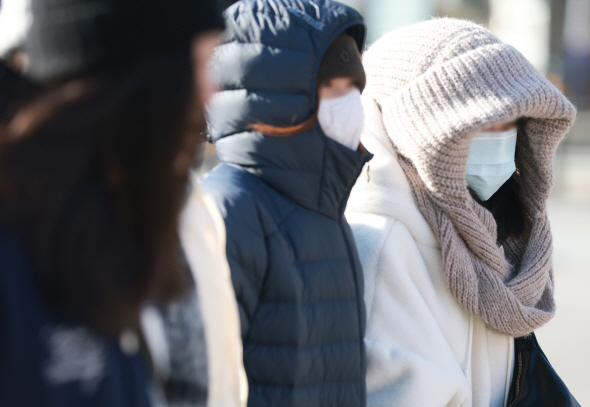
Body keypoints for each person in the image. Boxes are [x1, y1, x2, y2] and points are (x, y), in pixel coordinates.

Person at [0, 0, 246, 405]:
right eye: (200, 64)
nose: (210, 94)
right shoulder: (18, 255)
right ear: (144, 79)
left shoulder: (116, 237)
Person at [345, 18, 576, 407]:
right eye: (479, 121)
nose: (501, 136)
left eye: (511, 120)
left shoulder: (488, 226)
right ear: (419, 128)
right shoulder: (382, 247)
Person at [200, 1, 371, 406]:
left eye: (354, 89)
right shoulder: (229, 211)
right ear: (276, 97)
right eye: (333, 87)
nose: (350, 103)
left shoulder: (325, 214)